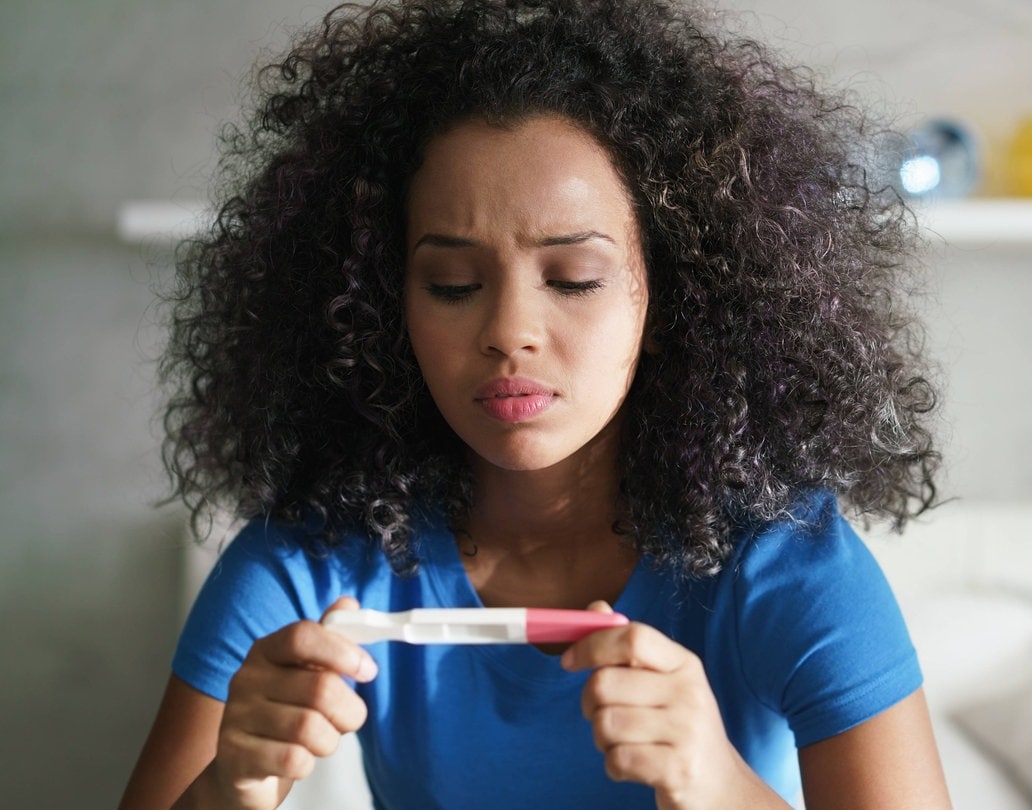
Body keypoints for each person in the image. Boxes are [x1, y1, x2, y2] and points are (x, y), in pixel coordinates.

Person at [121, 0, 949, 807]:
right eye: (453, 285)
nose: (509, 331)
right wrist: (225, 792)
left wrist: (719, 786)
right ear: (383, 310)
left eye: (574, 279)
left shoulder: (789, 563)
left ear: (668, 302)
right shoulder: (311, 559)